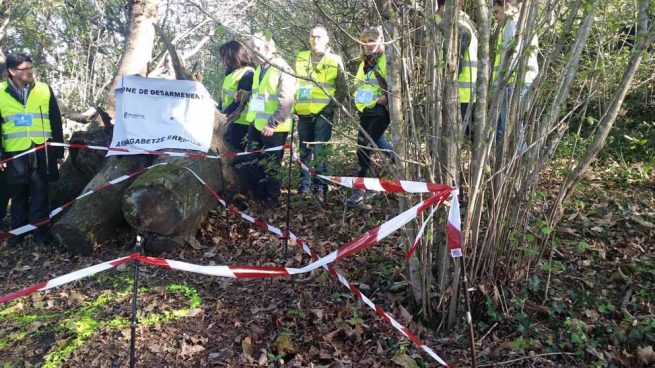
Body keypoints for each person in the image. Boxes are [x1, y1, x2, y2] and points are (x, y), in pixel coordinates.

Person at [0, 53, 64, 246]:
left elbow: (55, 120)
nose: (30, 72)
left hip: (41, 150)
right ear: (12, 71)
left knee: (40, 193)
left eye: (31, 67)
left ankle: (40, 234)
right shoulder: (0, 92)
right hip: (14, 153)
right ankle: (17, 234)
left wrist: (58, 151)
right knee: (18, 194)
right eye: (24, 69)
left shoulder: (44, 89)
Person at [294, 25, 347, 201]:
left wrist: (329, 108)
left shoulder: (334, 60)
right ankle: (304, 185)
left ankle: (321, 185)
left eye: (319, 37)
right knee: (304, 150)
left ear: (326, 39)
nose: (315, 40)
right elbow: (294, 83)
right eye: (312, 36)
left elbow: (342, 88)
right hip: (303, 113)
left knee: (320, 150)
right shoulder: (301, 58)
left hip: (324, 113)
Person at [243, 33, 296, 207]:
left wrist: (272, 123)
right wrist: (245, 94)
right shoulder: (259, 69)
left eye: (258, 48)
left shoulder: (282, 68)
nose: (255, 53)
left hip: (275, 127)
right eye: (253, 49)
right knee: (252, 161)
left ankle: (271, 201)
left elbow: (286, 99)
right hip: (256, 124)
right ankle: (259, 197)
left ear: (269, 47)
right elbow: (262, 95)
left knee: (273, 166)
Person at [347, 27, 391, 206]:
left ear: (381, 41)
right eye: (364, 41)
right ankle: (399, 163)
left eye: (372, 40)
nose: (367, 44)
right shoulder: (363, 64)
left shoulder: (386, 60)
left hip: (380, 112)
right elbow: (357, 87)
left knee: (363, 149)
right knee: (377, 143)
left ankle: (362, 189)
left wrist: (385, 98)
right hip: (365, 111)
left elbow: (395, 85)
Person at [492, 0, 539, 148]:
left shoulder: (513, 24)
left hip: (512, 82)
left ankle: (521, 157)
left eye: (496, 12)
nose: (496, 17)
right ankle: (515, 158)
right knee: (512, 125)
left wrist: (499, 84)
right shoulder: (520, 22)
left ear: (506, 5)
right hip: (519, 80)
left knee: (512, 126)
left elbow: (510, 57)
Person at [437, 0, 478, 134]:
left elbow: (455, 62)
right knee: (470, 134)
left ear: (443, 7)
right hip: (468, 91)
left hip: (461, 92)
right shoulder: (467, 23)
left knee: (461, 134)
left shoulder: (459, 26)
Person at [219, 40, 255, 152]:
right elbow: (225, 97)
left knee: (235, 154)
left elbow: (240, 101)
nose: (222, 60)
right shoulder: (231, 73)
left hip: (240, 122)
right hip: (230, 120)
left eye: (224, 57)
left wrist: (222, 116)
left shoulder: (247, 73)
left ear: (233, 56)